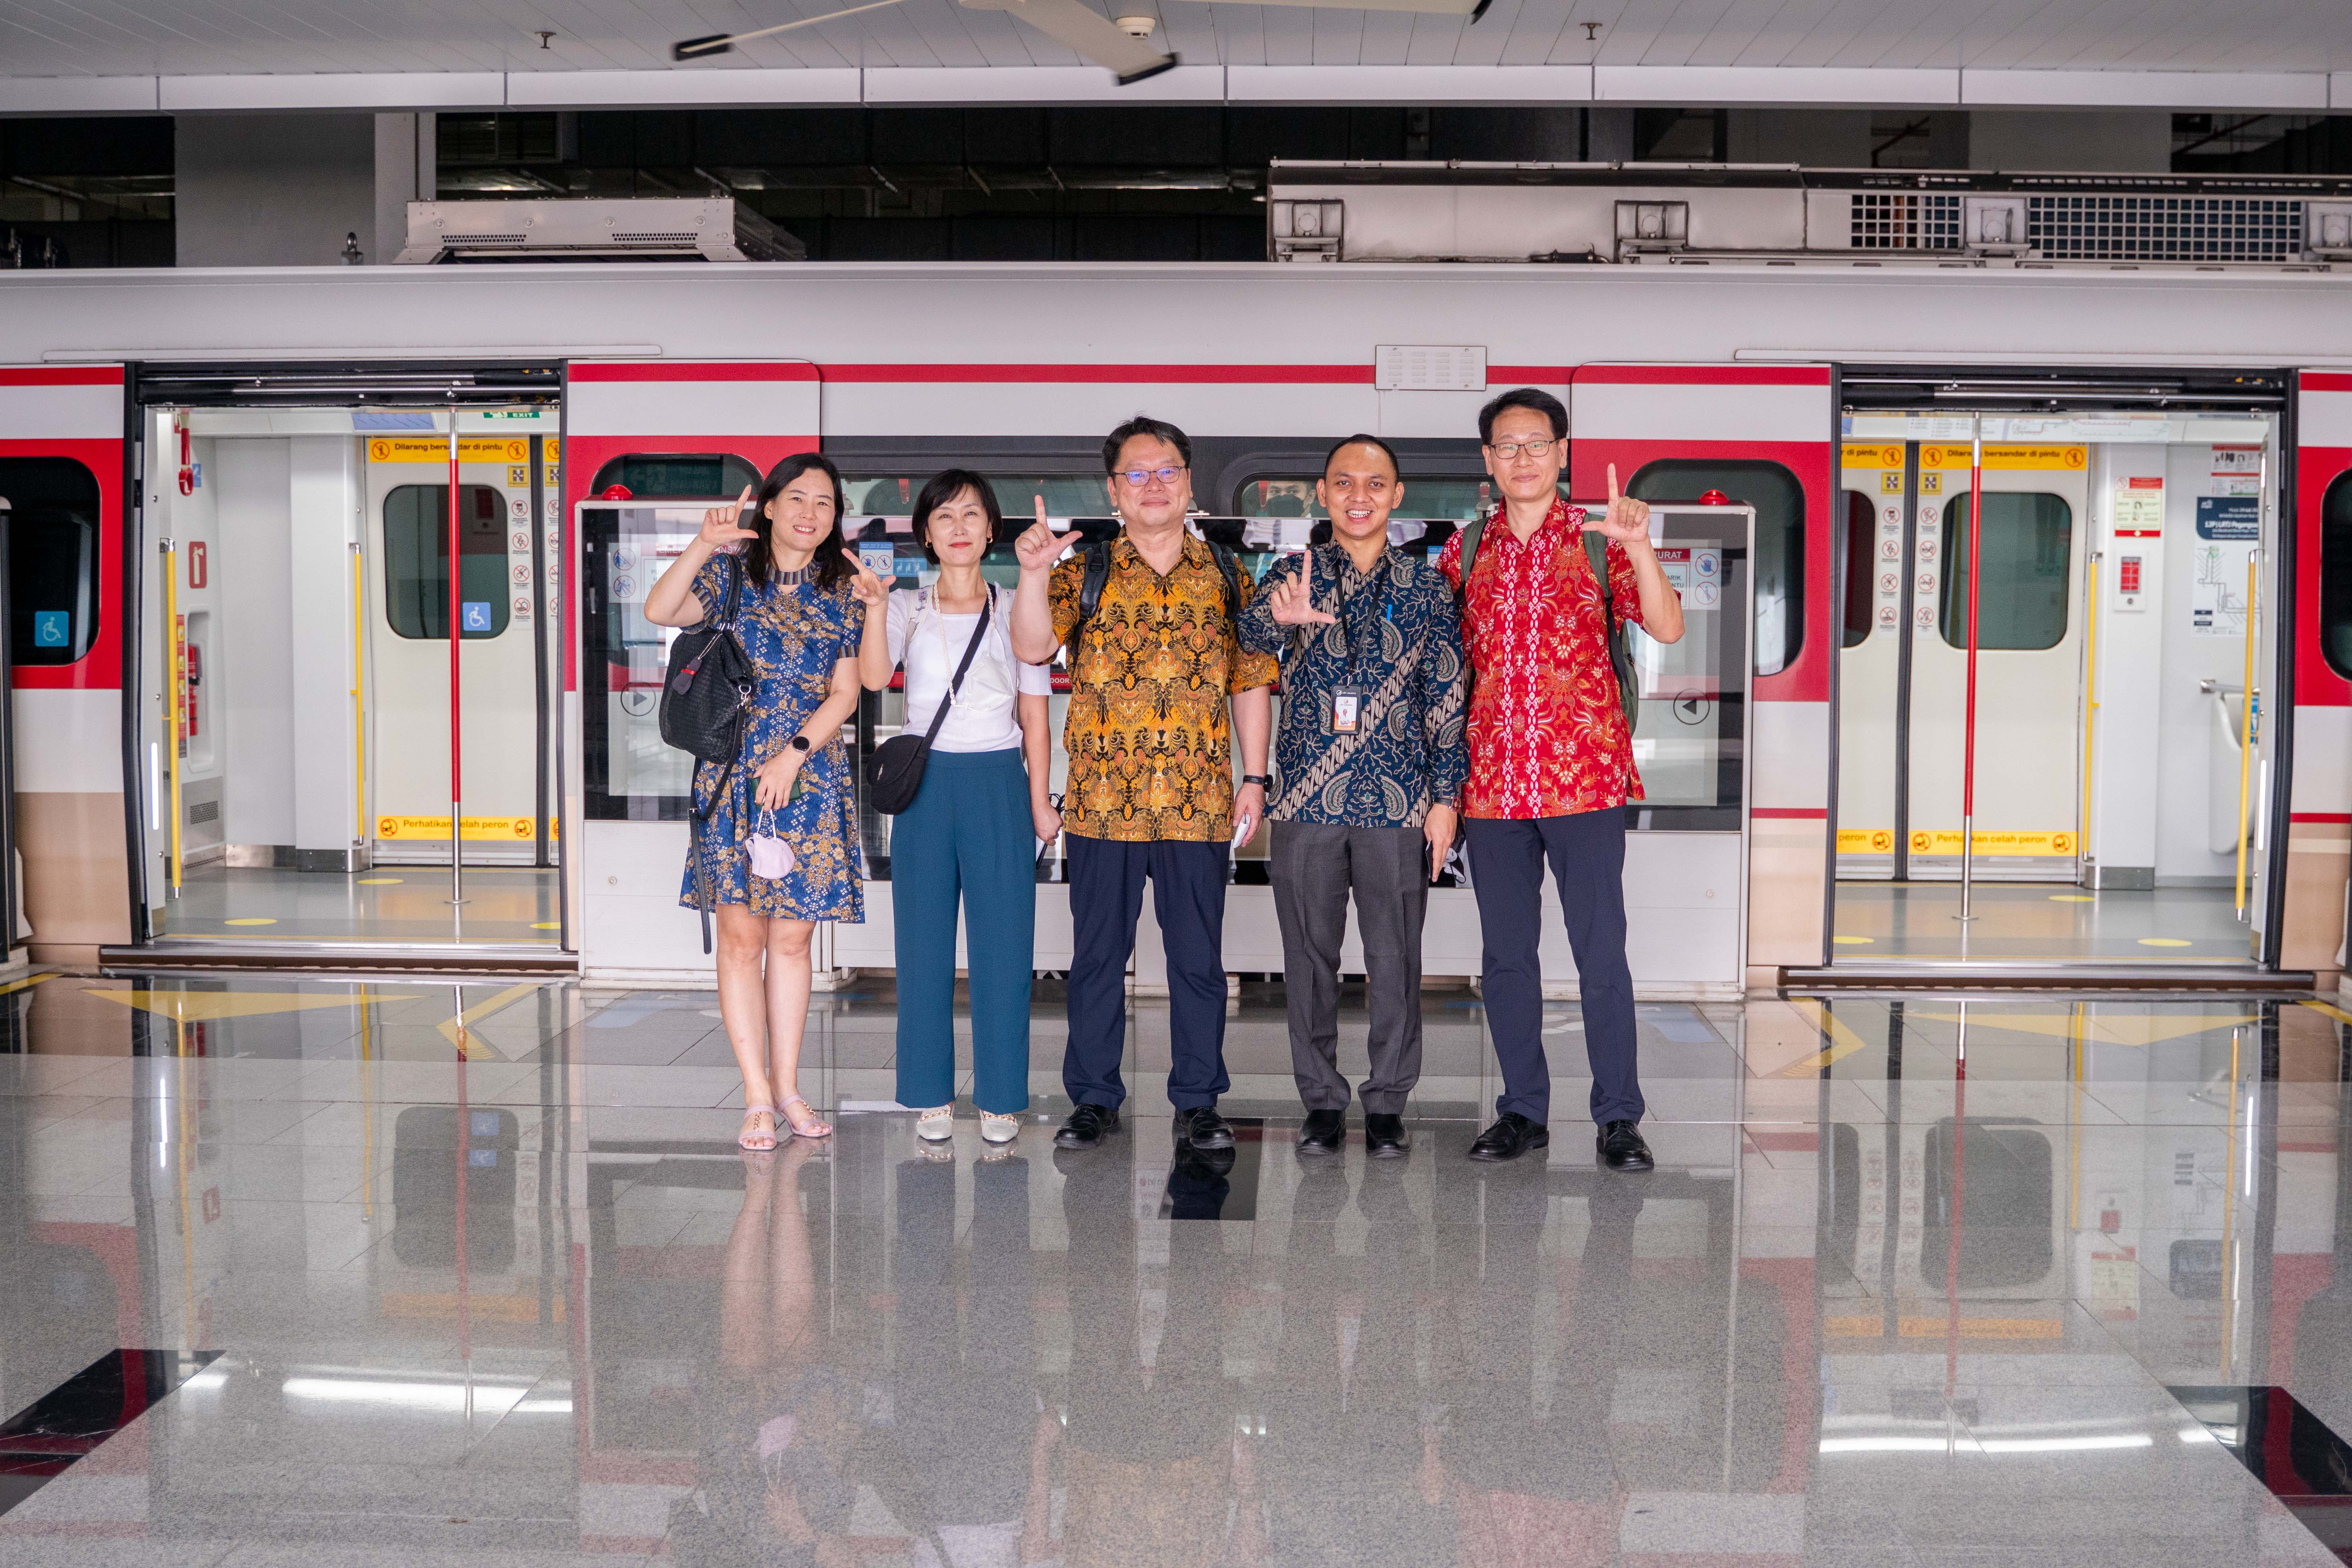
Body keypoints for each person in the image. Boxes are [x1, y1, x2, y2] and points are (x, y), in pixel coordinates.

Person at [1009, 416, 1278, 1155]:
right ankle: (1094, 1097)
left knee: (1198, 961)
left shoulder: (1227, 572)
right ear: (1113, 489)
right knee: (1097, 959)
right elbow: (1032, 645)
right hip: (1101, 804)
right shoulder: (1083, 570)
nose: (1153, 484)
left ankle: (1199, 1099)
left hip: (1198, 801)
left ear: (1188, 483)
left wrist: (1254, 777)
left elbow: (1250, 679)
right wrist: (1031, 574)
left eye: (1166, 471)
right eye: (1137, 473)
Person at [1436, 388, 1685, 1171]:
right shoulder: (1462, 551)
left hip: (1585, 779)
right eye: (1507, 446)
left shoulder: (1598, 537)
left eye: (1536, 444)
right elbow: (1443, 669)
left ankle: (1618, 1117)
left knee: (1600, 952)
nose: (1522, 458)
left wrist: (1641, 547)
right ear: (1488, 459)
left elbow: (1668, 625)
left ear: (1562, 451)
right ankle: (1522, 1111)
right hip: (1492, 786)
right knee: (1507, 958)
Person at [1239, 433, 1468, 1159]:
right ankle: (1322, 1101)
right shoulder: (1292, 574)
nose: (1358, 496)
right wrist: (1279, 619)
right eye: (1344, 482)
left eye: (1374, 484)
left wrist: (1445, 799)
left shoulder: (1426, 587)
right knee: (1309, 957)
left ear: (1397, 496)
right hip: (1306, 799)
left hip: (1398, 803)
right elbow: (1243, 643)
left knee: (1396, 956)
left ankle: (1389, 1101)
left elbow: (1447, 694)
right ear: (1323, 493)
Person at [648, 454, 866, 1151]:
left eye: (825, 503)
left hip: (808, 774)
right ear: (768, 506)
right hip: (733, 774)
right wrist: (703, 543)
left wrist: (794, 752)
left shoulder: (844, 593)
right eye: (797, 498)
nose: (810, 512)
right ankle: (757, 1096)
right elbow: (660, 610)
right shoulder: (729, 576)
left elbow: (846, 693)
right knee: (743, 941)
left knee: (794, 941)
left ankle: (790, 1087)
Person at [847, 470, 1059, 1147]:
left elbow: (1035, 715)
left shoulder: (1015, 606)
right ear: (927, 534)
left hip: (998, 783)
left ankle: (1001, 1098)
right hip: (926, 787)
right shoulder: (907, 607)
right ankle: (929, 1095)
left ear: (991, 529)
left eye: (971, 514)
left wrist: (1040, 802)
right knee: (923, 946)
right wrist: (874, 608)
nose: (959, 527)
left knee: (1005, 947)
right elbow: (874, 678)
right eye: (945, 516)